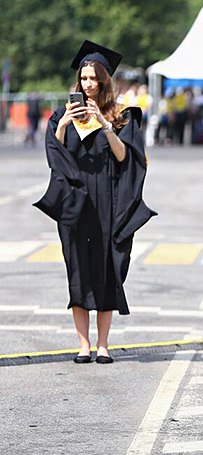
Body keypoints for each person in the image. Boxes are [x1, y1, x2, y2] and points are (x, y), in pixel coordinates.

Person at [33, 40, 156, 364]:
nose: (88, 85)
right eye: (84, 79)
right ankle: (83, 345)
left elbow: (125, 159)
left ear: (104, 80)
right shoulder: (63, 114)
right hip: (75, 201)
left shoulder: (120, 115)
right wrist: (61, 126)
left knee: (105, 270)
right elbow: (55, 157)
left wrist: (104, 125)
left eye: (94, 79)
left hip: (108, 200)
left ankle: (103, 344)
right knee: (77, 268)